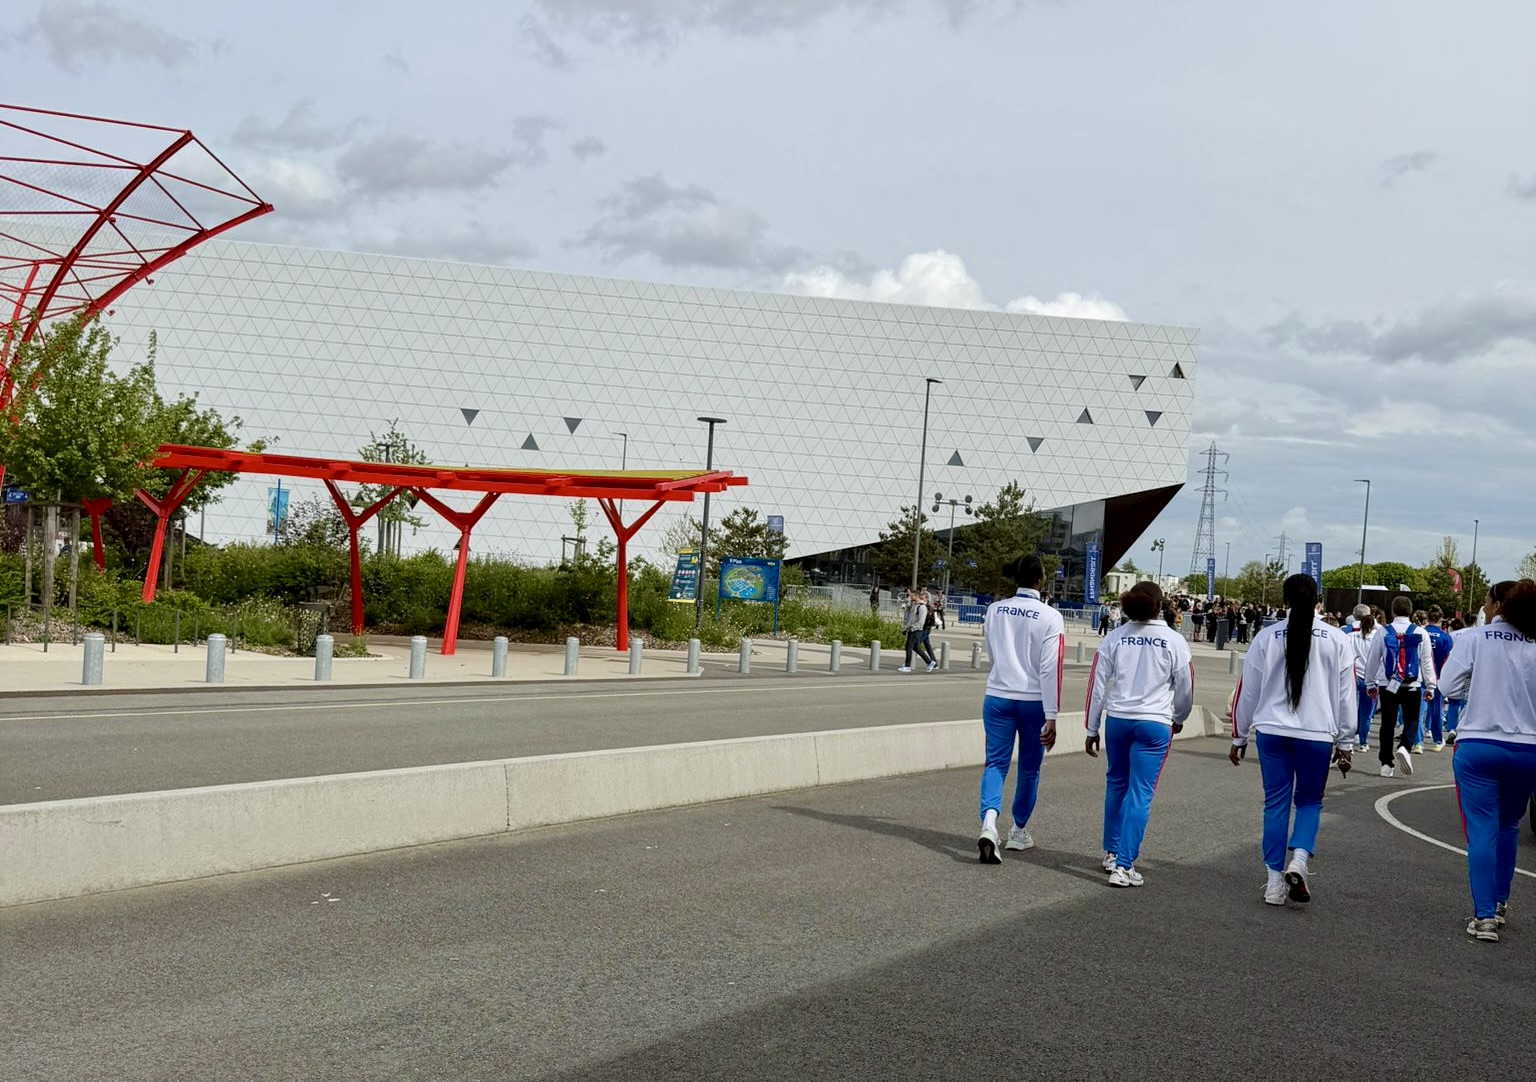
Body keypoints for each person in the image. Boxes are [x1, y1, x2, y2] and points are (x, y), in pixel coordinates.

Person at [1231, 574, 1356, 906]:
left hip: (1271, 730)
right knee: (1310, 801)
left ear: (1284, 600)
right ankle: (1299, 859)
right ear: (1318, 600)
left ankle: (1273, 883)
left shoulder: (1266, 636)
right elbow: (1347, 697)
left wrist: (1239, 734)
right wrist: (1346, 741)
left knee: (1275, 804)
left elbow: (1249, 691)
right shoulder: (1336, 639)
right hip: (1316, 733)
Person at [1438, 580, 1536, 943]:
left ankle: (1483, 917)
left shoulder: (1473, 638)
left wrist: (1474, 689)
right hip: (1527, 747)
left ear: (1498, 605)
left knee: (1481, 829)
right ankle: (1499, 903)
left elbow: (1448, 688)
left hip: (1479, 742)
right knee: (1509, 825)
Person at [1084, 581, 1193, 888]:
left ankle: (1111, 851)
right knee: (1141, 792)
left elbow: (1097, 685)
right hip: (1154, 723)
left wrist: (1092, 727)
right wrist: (1178, 718)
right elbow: (1185, 688)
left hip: (1118, 720)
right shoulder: (1174, 640)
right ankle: (1124, 864)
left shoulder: (1115, 638)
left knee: (1116, 784)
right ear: (1161, 605)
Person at [975, 554, 1065, 864]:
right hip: (1033, 701)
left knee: (995, 764)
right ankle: (1018, 830)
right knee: (1029, 767)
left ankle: (989, 824)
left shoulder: (995, 609)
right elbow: (1051, 667)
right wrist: (1052, 716)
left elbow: (991, 652)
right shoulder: (1050, 616)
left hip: (998, 695)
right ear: (1041, 580)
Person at [1365, 596, 1437, 778]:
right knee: (1412, 719)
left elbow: (1373, 659)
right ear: (1411, 612)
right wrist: (1430, 686)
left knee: (1387, 723)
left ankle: (1386, 763)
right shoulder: (1421, 633)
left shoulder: (1382, 632)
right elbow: (1427, 661)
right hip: (1412, 683)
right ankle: (1405, 745)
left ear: (1392, 611)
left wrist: (1370, 682)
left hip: (1388, 683)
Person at [1348, 604, 1381, 752]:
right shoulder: (1377, 638)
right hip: (1371, 679)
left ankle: (1348, 739)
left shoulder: (1351, 636)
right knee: (1366, 713)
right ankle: (1363, 742)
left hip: (1354, 677)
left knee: (1352, 710)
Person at [1421, 607, 1454, 751]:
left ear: (1427, 617)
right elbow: (1448, 660)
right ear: (1441, 620)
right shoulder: (1445, 637)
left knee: (1419, 710)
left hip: (1419, 677)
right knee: (1436, 711)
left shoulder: (1420, 633)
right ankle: (1437, 740)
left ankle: (1418, 741)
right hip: (1438, 677)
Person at [898, 590, 937, 674]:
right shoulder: (915, 605)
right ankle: (929, 662)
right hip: (912, 629)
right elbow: (911, 618)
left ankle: (907, 666)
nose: (910, 597)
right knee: (916, 648)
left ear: (916, 596)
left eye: (912, 596)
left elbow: (921, 621)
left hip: (916, 630)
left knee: (909, 647)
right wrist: (906, 628)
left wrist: (912, 628)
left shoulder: (922, 607)